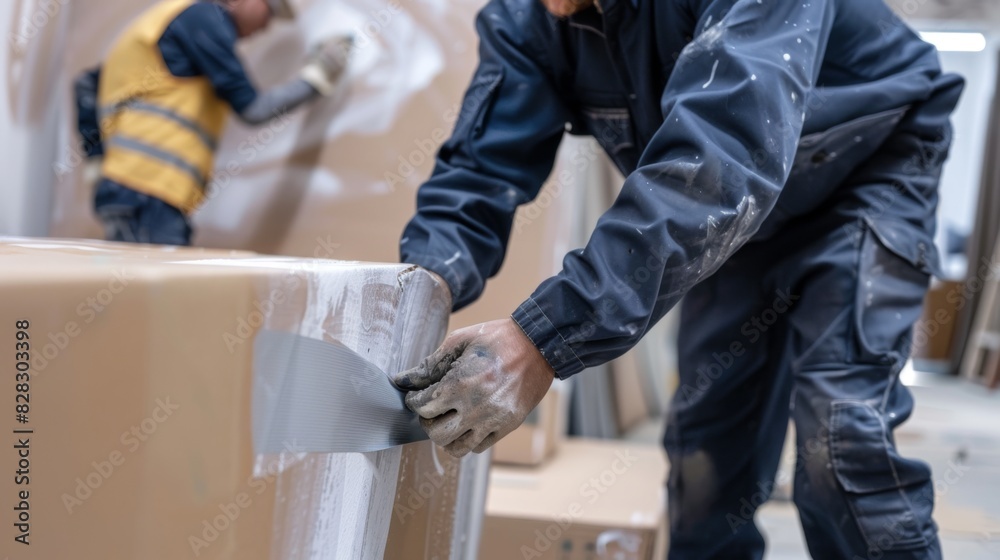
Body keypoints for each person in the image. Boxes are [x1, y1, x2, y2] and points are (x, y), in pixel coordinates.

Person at [392, 0, 964, 558]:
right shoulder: (531, 19)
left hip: (864, 173)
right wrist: (425, 283)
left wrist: (541, 340)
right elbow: (479, 169)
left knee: (839, 441)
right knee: (705, 460)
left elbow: (718, 162)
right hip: (738, 218)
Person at [73, 0, 351, 246]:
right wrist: (316, 77)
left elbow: (86, 85)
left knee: (141, 297)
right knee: (158, 299)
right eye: (270, 10)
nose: (266, 26)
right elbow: (253, 109)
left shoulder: (165, 18)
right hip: (150, 194)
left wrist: (98, 162)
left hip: (128, 192)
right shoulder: (204, 18)